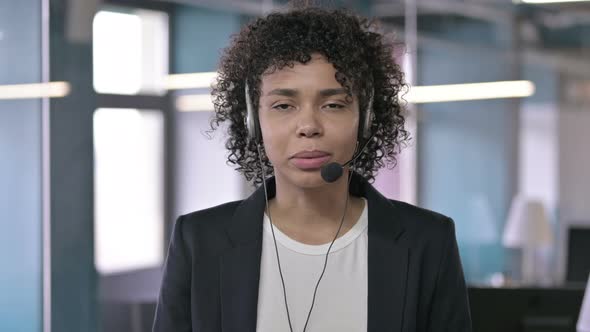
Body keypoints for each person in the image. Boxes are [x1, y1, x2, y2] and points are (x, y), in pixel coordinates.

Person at [153, 6, 472, 332]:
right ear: (252, 120)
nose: (308, 126)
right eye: (283, 105)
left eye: (333, 104)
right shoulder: (199, 241)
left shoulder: (428, 242)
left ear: (366, 119)